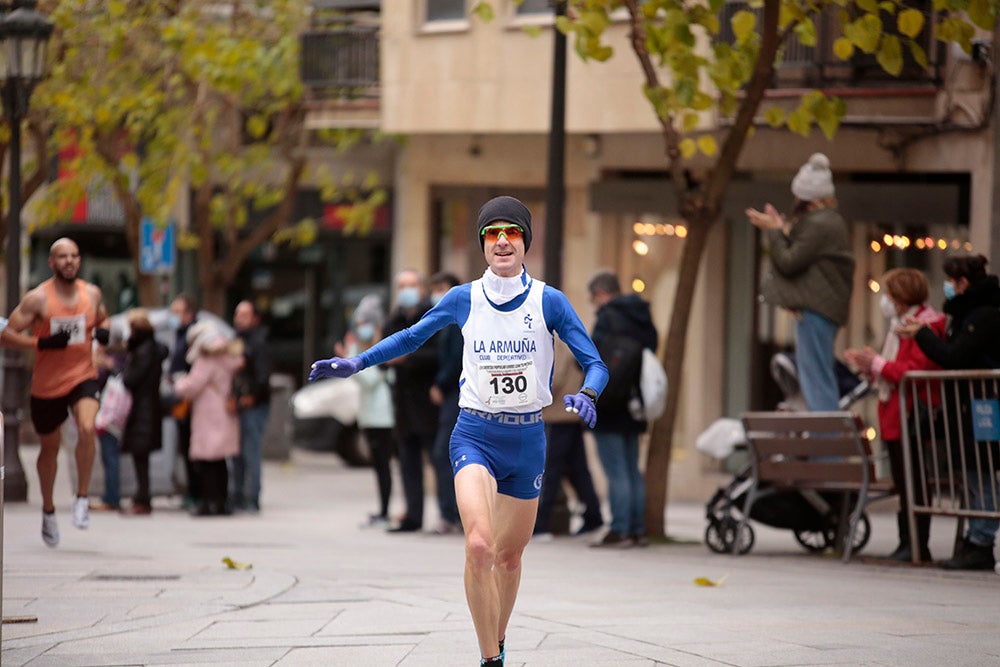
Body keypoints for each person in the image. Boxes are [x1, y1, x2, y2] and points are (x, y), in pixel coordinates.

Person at [309, 195, 608, 666]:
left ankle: (499, 642)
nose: (503, 241)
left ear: (525, 242)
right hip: (475, 432)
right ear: (483, 244)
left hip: (528, 439)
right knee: (478, 545)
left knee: (509, 559)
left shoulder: (548, 301)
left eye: (512, 232)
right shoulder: (462, 298)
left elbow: (595, 363)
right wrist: (358, 362)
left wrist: (588, 394)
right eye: (493, 233)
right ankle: (491, 660)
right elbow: (411, 337)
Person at [3, 237, 110, 547]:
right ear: (52, 263)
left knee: (87, 427)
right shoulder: (38, 299)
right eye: (62, 257)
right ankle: (48, 510)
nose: (69, 261)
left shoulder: (91, 293)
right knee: (49, 448)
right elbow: (6, 334)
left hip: (82, 375)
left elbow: (102, 318)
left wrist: (103, 331)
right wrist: (41, 343)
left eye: (74, 255)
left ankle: (81, 497)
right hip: (48, 384)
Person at [897, 254, 1000, 570]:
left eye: (952, 282)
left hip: (981, 405)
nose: (948, 288)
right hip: (970, 407)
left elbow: (954, 356)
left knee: (981, 471)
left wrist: (922, 335)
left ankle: (980, 540)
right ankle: (974, 537)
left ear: (963, 283)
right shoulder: (969, 313)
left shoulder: (982, 315)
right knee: (973, 471)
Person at [845, 269, 945, 562]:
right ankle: (908, 542)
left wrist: (877, 363)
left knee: (913, 480)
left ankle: (915, 543)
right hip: (895, 414)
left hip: (912, 414)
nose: (885, 300)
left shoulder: (924, 325)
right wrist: (871, 365)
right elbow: (894, 367)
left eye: (890, 294)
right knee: (904, 480)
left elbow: (911, 371)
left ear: (901, 298)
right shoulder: (897, 326)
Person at [746, 153, 855, 412]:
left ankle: (826, 447)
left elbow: (789, 260)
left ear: (809, 199)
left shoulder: (819, 224)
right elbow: (801, 253)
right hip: (822, 309)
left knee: (816, 382)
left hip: (816, 311)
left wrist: (774, 231)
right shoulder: (829, 221)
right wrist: (779, 228)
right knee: (818, 379)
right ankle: (825, 444)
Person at [587, 270, 658, 548]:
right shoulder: (642, 317)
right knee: (630, 468)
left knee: (616, 470)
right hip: (636, 402)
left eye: (594, 298)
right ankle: (637, 529)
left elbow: (591, 357)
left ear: (602, 293)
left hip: (608, 404)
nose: (594, 304)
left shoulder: (607, 319)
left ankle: (619, 528)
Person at [382, 268, 440, 533]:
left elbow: (439, 354)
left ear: (421, 288)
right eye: (402, 286)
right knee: (407, 463)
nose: (407, 290)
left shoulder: (432, 314)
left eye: (412, 285)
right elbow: (383, 357)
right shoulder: (393, 318)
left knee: (439, 460)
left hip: (428, 401)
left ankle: (451, 515)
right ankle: (413, 516)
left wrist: (407, 358)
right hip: (402, 403)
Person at [533, 340, 604, 540]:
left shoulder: (552, 339)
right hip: (569, 413)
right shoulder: (567, 337)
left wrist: (533, 396)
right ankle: (593, 518)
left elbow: (554, 377)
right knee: (578, 470)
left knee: (548, 472)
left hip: (556, 415)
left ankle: (539, 525)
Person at [174, 321, 244, 517]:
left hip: (208, 413)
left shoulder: (206, 359)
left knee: (205, 462)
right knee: (219, 462)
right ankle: (221, 503)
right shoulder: (229, 357)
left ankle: (206, 503)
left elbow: (192, 385)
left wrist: (178, 383)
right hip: (225, 412)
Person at [349, 295, 397, 529]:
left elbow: (369, 381)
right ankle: (383, 510)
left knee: (384, 465)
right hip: (369, 416)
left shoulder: (383, 352)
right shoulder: (364, 350)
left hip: (383, 418)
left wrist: (350, 361)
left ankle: (386, 511)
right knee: (378, 466)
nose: (362, 328)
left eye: (366, 323)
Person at [120, 308, 169, 515]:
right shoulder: (154, 349)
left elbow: (130, 380)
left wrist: (124, 364)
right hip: (150, 406)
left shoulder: (142, 352)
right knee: (142, 457)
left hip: (143, 409)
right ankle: (142, 497)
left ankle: (143, 498)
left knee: (141, 457)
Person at [428, 271, 464, 535]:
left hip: (457, 395)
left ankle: (452, 513)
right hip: (455, 394)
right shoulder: (447, 320)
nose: (437, 293)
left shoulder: (455, 322)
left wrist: (440, 384)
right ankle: (451, 513)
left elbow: (455, 360)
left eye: (442, 288)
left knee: (445, 453)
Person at [231, 300, 272, 513]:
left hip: (254, 406)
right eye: (238, 314)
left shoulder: (258, 342)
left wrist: (252, 397)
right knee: (236, 454)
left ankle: (252, 499)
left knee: (251, 452)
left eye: (245, 314)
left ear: (255, 318)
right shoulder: (235, 340)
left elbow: (263, 377)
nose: (240, 318)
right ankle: (236, 496)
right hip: (237, 405)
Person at [167, 294, 200, 509]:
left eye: (177, 312)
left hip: (191, 400)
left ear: (189, 314)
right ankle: (190, 491)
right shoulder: (179, 334)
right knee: (185, 448)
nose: (173, 317)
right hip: (181, 397)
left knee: (192, 448)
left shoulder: (194, 335)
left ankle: (196, 493)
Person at [92, 334, 128, 512]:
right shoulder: (121, 360)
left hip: (109, 419)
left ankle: (112, 497)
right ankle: (111, 496)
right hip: (112, 418)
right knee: (110, 457)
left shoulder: (113, 364)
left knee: (110, 457)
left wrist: (100, 365)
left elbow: (98, 380)